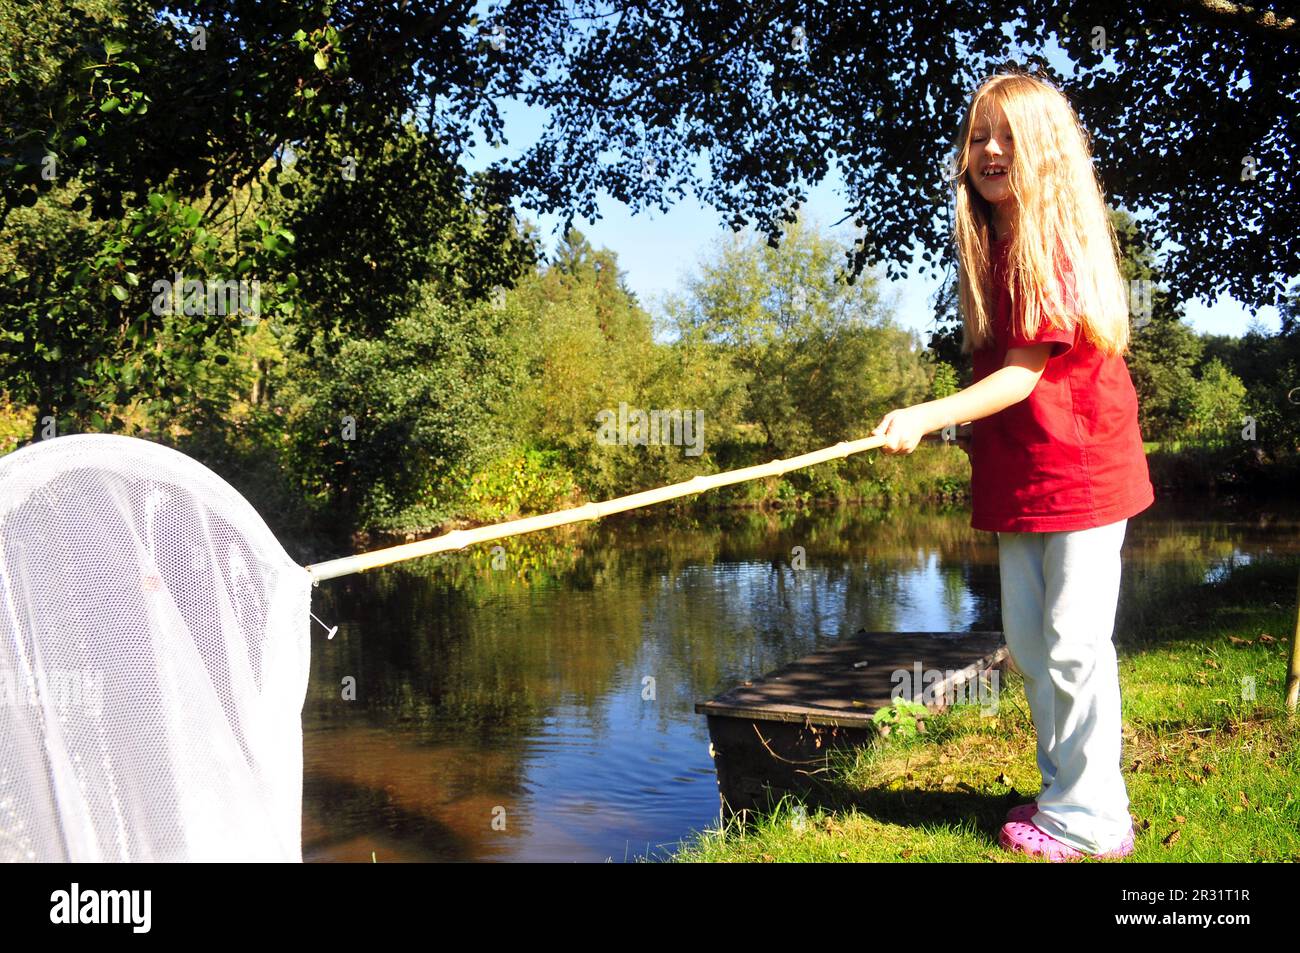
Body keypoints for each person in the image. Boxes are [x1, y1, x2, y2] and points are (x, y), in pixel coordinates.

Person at [871, 71, 1154, 861]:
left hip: (1084, 465)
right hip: (1023, 468)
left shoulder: (1050, 241)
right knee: (1030, 644)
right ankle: (1065, 790)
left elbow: (1024, 374)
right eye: (977, 136)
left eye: (1008, 136)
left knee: (1072, 641)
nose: (989, 150)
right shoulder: (991, 242)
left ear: (1046, 149)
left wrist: (926, 416)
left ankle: (1096, 819)